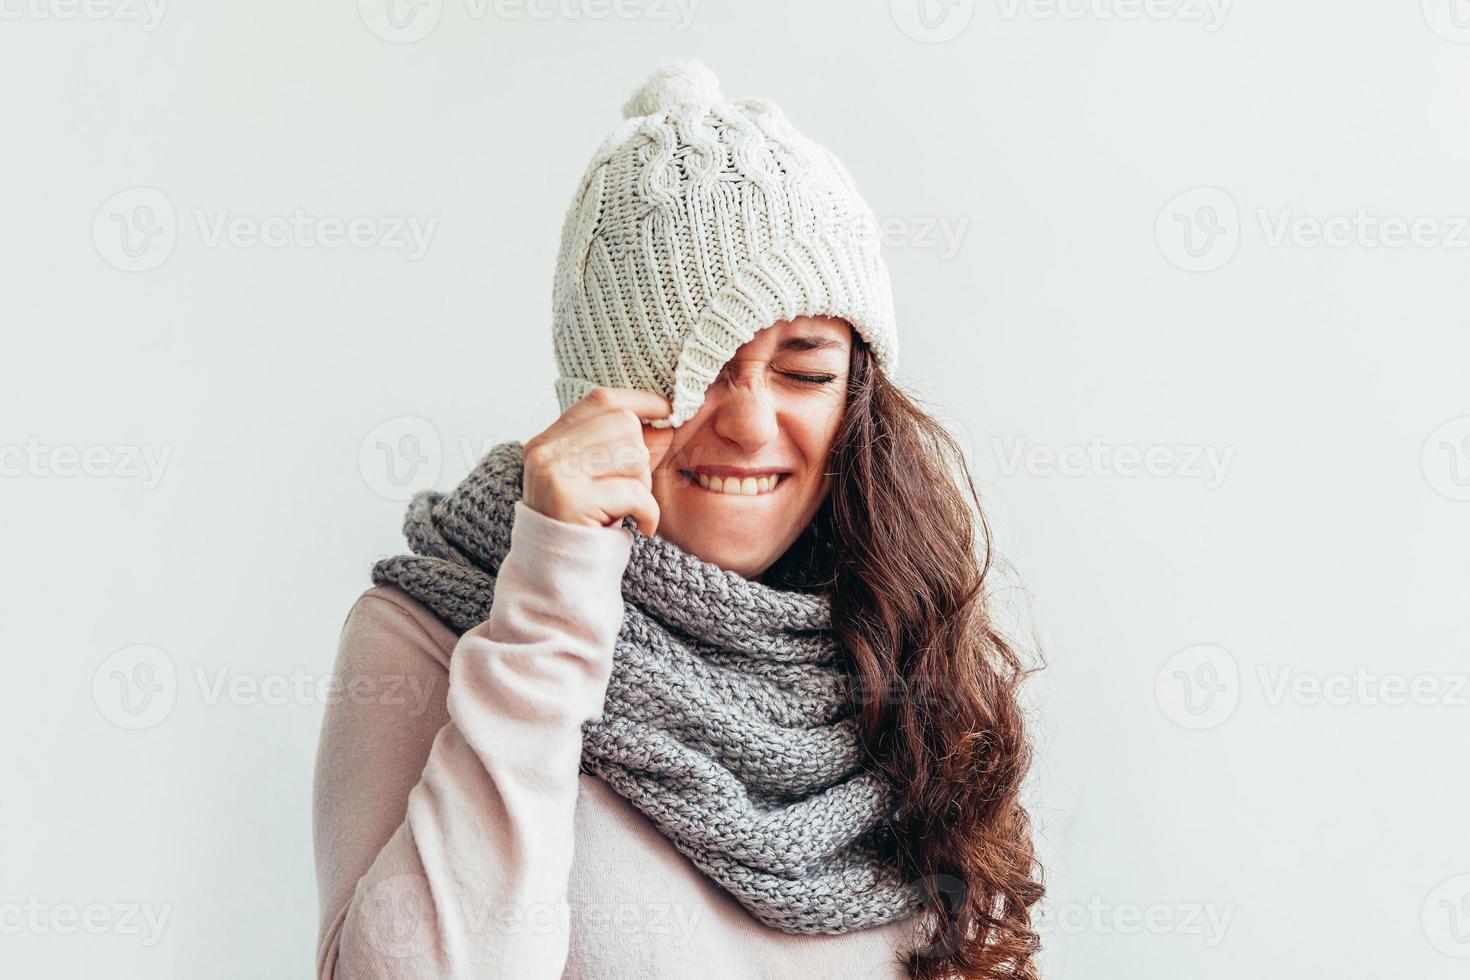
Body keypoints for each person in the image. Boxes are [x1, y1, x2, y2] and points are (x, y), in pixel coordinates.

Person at [312, 58, 1043, 980]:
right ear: (597, 395)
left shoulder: (904, 649)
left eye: (806, 371)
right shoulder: (432, 634)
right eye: (692, 367)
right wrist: (552, 597)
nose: (747, 423)